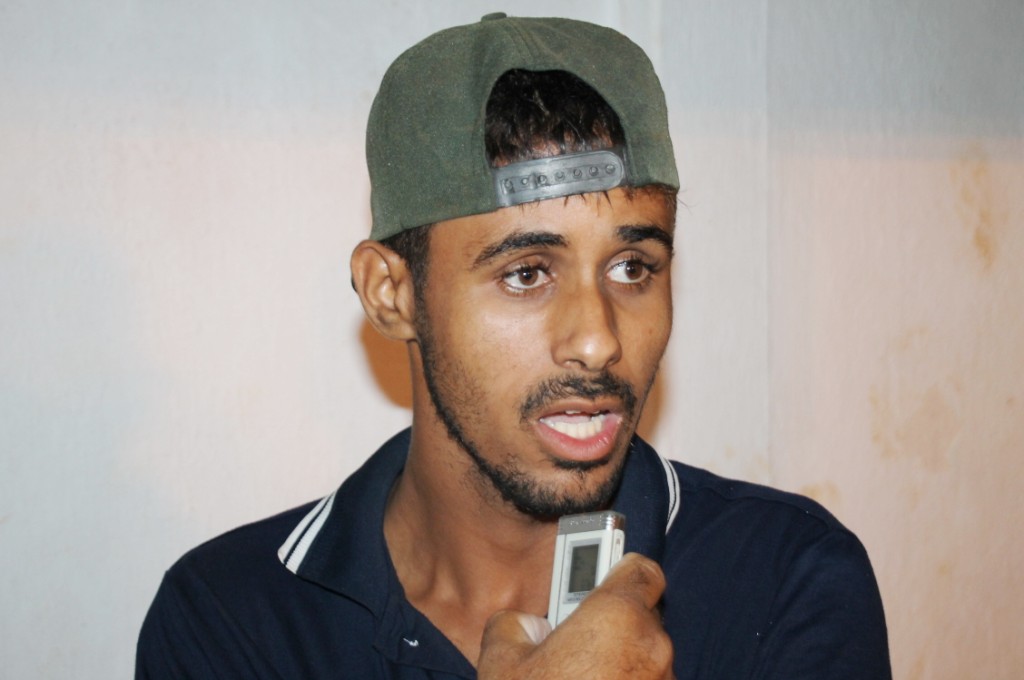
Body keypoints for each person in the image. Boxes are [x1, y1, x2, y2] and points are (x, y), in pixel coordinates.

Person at [137, 13, 891, 679]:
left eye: (633, 267)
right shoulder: (234, 622)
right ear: (391, 292)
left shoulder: (785, 578)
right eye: (526, 273)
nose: (597, 340)